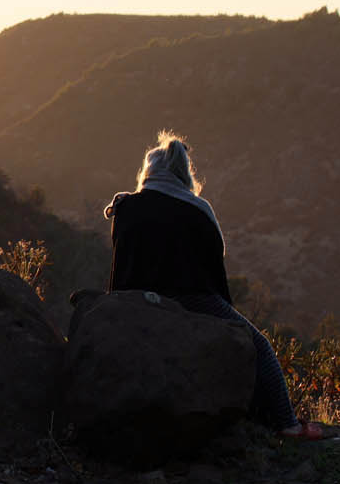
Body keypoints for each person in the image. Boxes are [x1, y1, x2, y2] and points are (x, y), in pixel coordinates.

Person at [103, 131, 327, 440]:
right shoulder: (197, 210)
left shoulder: (125, 206)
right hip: (191, 298)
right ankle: (286, 424)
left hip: (133, 301)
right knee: (258, 346)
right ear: (183, 173)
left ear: (149, 172)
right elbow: (213, 263)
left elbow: (121, 260)